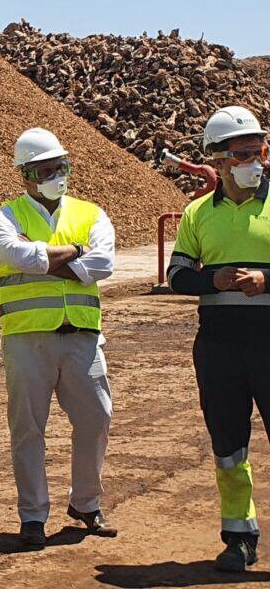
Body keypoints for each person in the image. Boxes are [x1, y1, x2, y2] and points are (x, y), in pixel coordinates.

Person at [0, 127, 116, 546]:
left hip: (81, 336)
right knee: (28, 429)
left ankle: (85, 502)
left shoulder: (91, 213)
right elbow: (19, 255)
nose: (57, 174)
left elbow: (104, 263)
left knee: (96, 418)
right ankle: (32, 516)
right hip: (27, 339)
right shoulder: (3, 218)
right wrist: (75, 251)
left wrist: (47, 258)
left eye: (61, 166)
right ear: (26, 175)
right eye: (46, 169)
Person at [169, 106, 270, 572]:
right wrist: (218, 281)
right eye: (244, 154)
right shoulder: (196, 214)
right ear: (221, 160)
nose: (256, 161)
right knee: (229, 446)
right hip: (220, 351)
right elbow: (178, 276)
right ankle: (239, 536)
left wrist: (266, 283)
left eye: (260, 151)